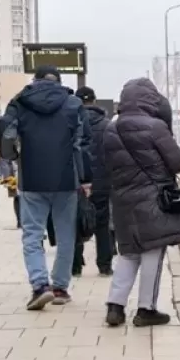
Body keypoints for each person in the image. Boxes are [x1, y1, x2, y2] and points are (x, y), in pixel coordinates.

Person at [0, 65, 91, 310]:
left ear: (35, 80)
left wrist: (13, 155)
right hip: (65, 179)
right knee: (66, 235)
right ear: (58, 81)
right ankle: (60, 287)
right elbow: (83, 142)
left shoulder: (20, 101)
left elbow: (6, 132)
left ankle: (40, 286)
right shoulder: (72, 103)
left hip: (31, 178)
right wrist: (85, 178)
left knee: (32, 235)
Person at [103, 77, 180, 327]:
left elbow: (107, 166)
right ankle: (146, 310)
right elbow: (178, 163)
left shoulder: (111, 128)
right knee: (153, 252)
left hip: (122, 201)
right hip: (153, 199)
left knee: (128, 254)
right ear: (149, 99)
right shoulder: (155, 126)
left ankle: (115, 306)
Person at [76, 86, 114, 277]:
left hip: (76, 181)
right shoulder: (107, 125)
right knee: (102, 223)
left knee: (74, 222)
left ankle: (75, 266)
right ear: (95, 100)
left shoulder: (71, 123)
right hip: (102, 182)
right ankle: (104, 265)